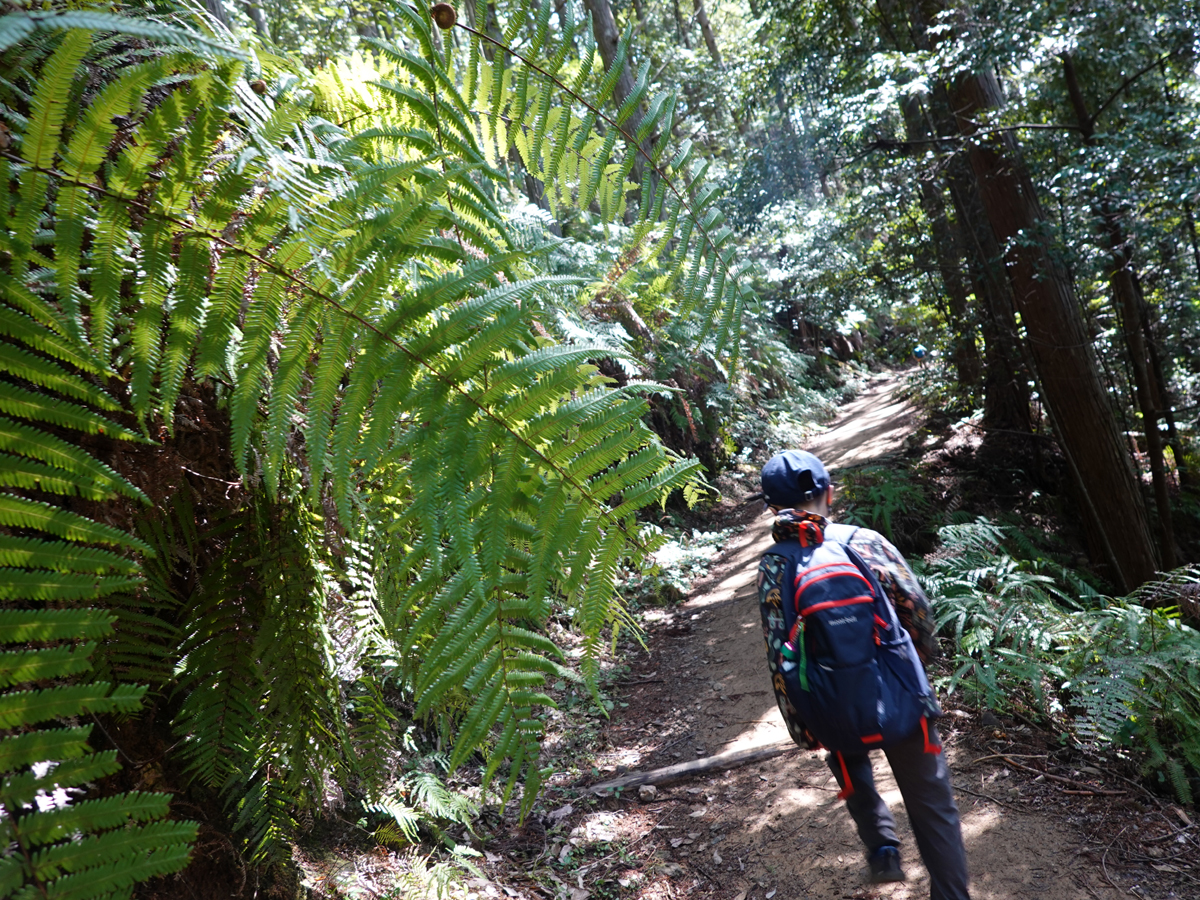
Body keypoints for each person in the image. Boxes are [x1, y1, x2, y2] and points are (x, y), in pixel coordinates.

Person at [756, 450, 970, 900]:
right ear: (829, 492)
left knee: (847, 751)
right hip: (901, 695)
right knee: (933, 804)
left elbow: (781, 654)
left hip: (834, 704)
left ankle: (882, 848)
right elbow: (916, 611)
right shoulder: (865, 540)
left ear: (772, 509)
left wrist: (804, 727)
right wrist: (916, 674)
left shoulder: (775, 565)